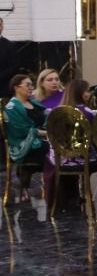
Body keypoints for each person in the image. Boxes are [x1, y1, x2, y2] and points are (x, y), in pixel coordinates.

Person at [4, 73, 49, 208]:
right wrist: (46, 133)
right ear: (17, 87)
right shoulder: (11, 108)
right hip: (23, 144)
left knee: (61, 147)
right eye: (28, 85)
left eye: (32, 85)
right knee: (52, 150)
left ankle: (62, 189)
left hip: (42, 138)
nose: (31, 88)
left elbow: (45, 118)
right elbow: (21, 131)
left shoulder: (34, 103)